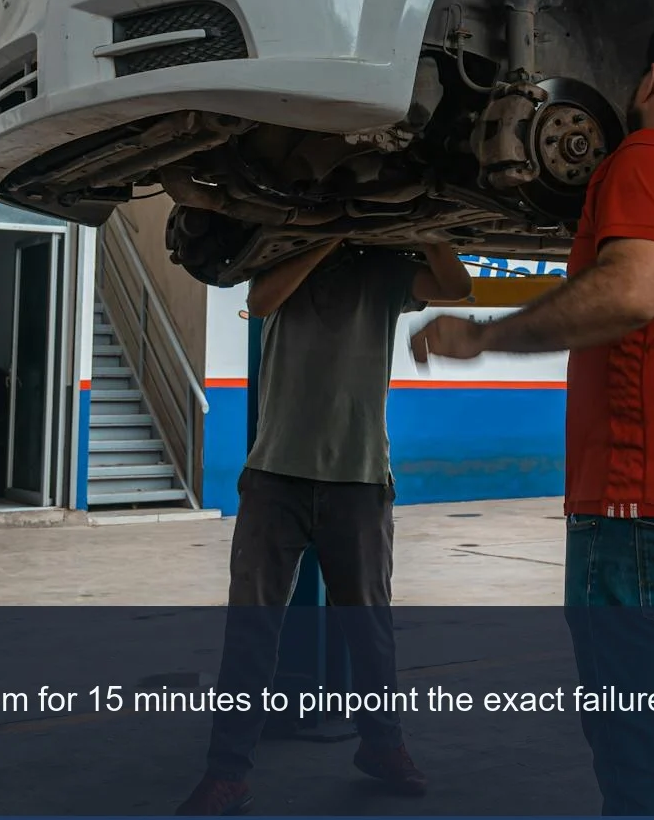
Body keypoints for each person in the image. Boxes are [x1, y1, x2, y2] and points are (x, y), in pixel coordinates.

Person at [410, 11, 654, 816]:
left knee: (642, 761)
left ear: (652, 79)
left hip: (650, 506)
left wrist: (484, 335)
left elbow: (630, 291)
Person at [176, 239, 473, 817]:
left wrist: (432, 231)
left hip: (358, 477)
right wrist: (326, 237)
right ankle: (227, 773)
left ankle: (383, 747)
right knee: (251, 632)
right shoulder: (280, 257)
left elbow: (458, 287)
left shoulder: (387, 272)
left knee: (369, 629)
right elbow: (261, 302)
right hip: (274, 478)